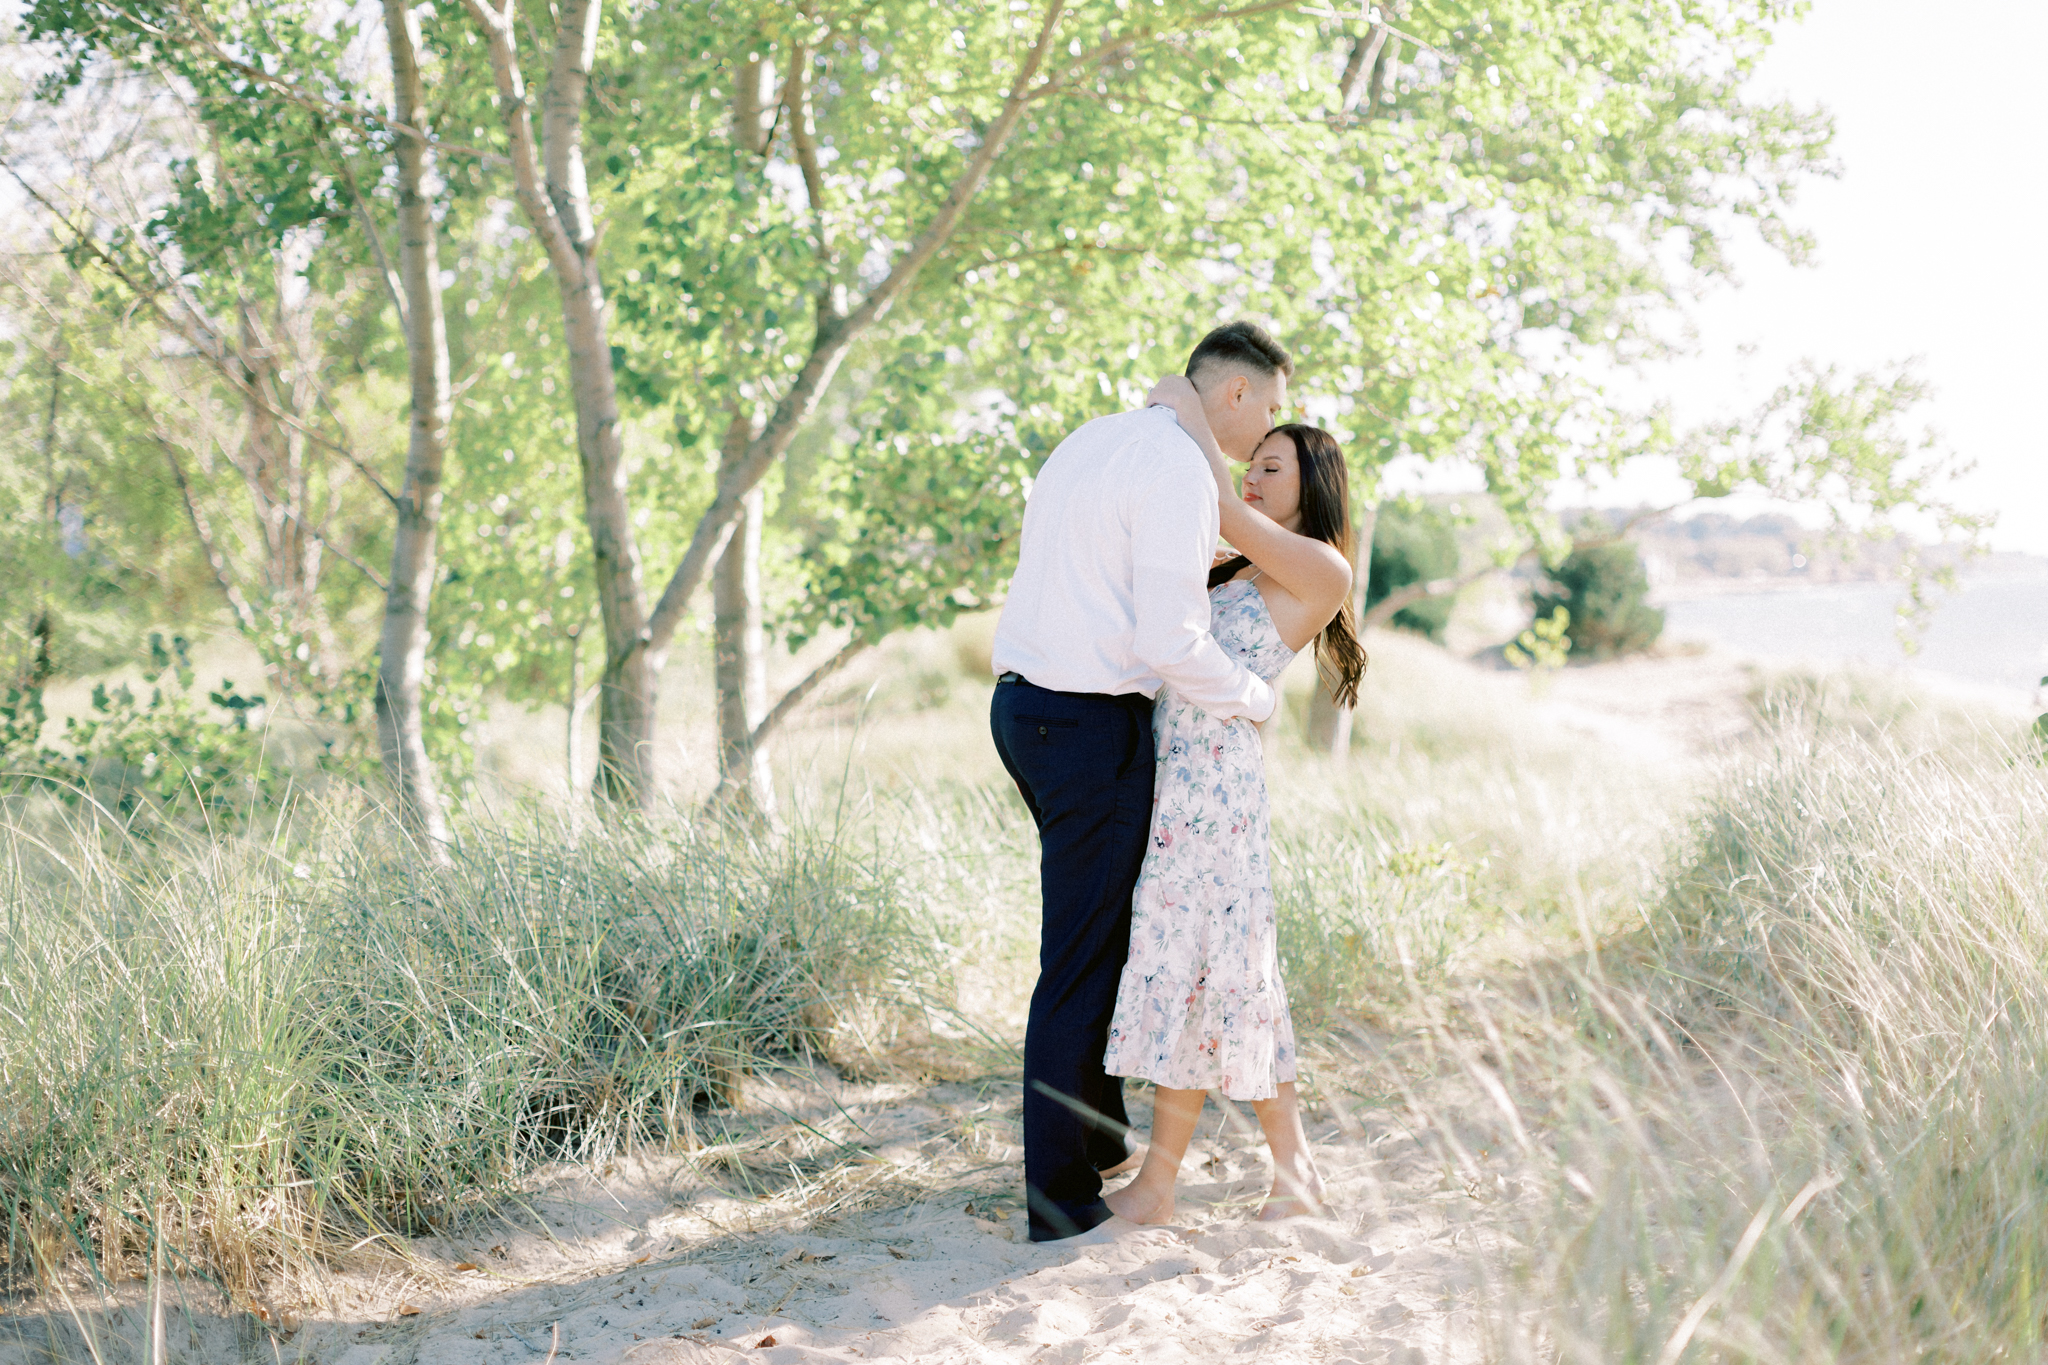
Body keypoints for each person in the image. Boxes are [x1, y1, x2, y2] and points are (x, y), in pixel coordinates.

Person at [989, 321, 1293, 1242]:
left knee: (1100, 936)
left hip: (1023, 709)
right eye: (1271, 407)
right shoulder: (1173, 471)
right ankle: (1059, 1197)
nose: (1268, 429)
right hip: (1089, 724)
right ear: (1234, 394)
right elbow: (1169, 641)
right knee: (1082, 960)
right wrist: (1255, 699)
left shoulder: (1095, 439)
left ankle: (1096, 1141)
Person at [1102, 376, 1368, 1225]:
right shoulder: (1240, 561)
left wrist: (1182, 402)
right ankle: (1291, 1178)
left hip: (1215, 789)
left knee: (1202, 967)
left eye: (1272, 466)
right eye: (1252, 464)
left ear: (1313, 483)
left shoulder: (1321, 566)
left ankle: (1160, 1183)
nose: (1251, 476)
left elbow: (1217, 504)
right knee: (1227, 974)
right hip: (1180, 778)